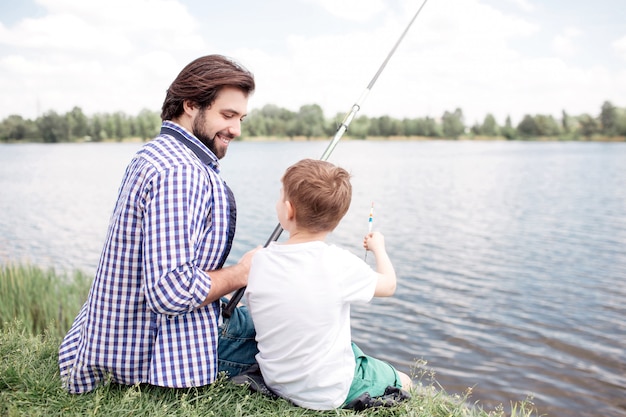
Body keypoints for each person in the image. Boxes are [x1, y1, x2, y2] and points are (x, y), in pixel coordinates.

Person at [58, 54, 259, 394]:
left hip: (116, 336)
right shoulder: (180, 172)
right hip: (151, 354)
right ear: (191, 104)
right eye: (227, 115)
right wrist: (242, 273)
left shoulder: (154, 153)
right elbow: (171, 290)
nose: (236, 129)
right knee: (305, 340)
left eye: (241, 118)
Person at [245, 158, 412, 410]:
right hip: (326, 393)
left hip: (276, 380)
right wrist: (379, 248)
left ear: (288, 211)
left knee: (349, 348)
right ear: (338, 218)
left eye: (280, 197)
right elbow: (388, 285)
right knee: (405, 380)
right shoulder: (339, 263)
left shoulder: (260, 259)